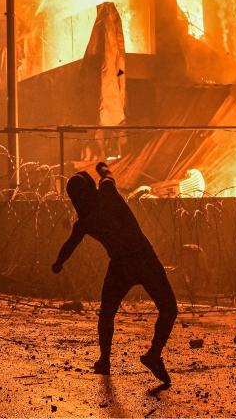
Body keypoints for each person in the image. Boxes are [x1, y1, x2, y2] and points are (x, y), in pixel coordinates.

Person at [52, 162, 177, 385]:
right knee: (168, 308)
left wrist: (58, 263)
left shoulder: (84, 222)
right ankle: (154, 354)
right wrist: (101, 169)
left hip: (120, 265)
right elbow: (108, 175)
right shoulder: (107, 193)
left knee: (107, 313)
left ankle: (105, 361)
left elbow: (69, 245)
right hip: (144, 258)